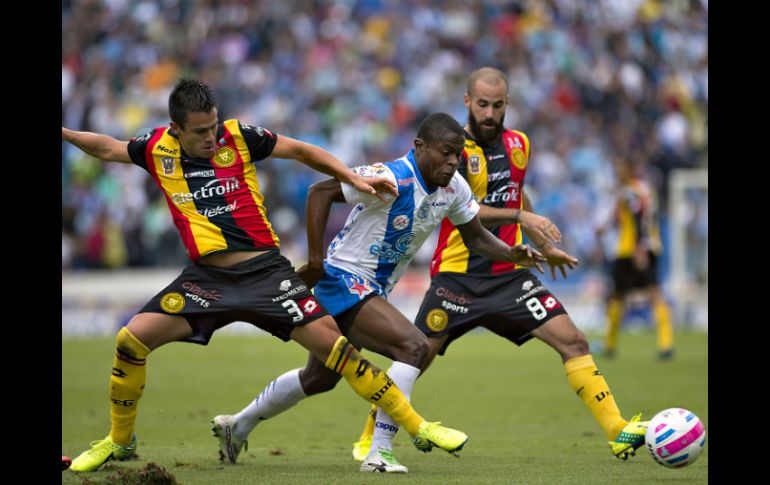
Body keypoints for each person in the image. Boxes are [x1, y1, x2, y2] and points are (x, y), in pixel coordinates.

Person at [62, 78, 469, 472]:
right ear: (176, 130)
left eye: (214, 127)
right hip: (208, 279)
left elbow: (301, 151)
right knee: (130, 341)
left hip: (266, 273)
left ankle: (417, 427)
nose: (211, 138)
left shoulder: (238, 136)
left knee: (337, 353)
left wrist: (352, 176)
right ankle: (119, 440)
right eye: (200, 132)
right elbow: (109, 147)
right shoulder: (154, 148)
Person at [210, 112, 550, 473]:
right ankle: (379, 452)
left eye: (458, 155)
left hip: (371, 288)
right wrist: (313, 260)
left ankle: (238, 426)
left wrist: (511, 253)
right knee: (413, 346)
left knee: (320, 378)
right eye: (446, 152)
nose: (453, 162)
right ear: (419, 147)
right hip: (342, 278)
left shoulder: (454, 189)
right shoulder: (392, 176)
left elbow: (476, 237)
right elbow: (320, 191)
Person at [346, 67, 650, 469]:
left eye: (499, 105)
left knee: (573, 341)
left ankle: (616, 430)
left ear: (508, 104)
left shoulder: (520, 144)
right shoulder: (452, 152)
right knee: (413, 359)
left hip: (508, 276)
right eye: (483, 104)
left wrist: (542, 243)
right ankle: (370, 438)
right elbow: (467, 212)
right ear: (468, 102)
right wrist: (522, 219)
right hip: (457, 277)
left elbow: (514, 199)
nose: (490, 114)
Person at [596, 156, 674, 360]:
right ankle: (665, 344)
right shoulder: (640, 190)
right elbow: (628, 216)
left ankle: (610, 344)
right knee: (642, 294)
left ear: (629, 170)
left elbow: (639, 220)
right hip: (647, 246)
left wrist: (639, 248)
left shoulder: (631, 191)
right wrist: (605, 227)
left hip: (632, 249)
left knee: (624, 295)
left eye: (619, 168)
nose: (616, 173)